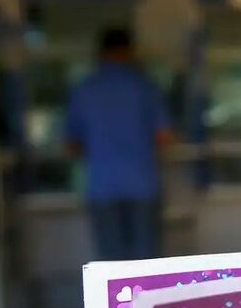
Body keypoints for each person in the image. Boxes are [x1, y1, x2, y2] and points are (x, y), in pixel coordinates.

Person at [66, 28, 174, 261]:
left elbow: (71, 145)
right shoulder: (145, 87)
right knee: (146, 260)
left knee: (110, 262)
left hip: (102, 186)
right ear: (129, 51)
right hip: (142, 184)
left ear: (101, 53)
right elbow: (164, 137)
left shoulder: (85, 90)